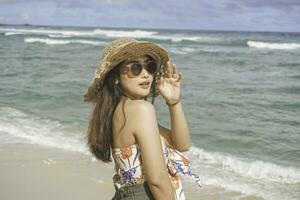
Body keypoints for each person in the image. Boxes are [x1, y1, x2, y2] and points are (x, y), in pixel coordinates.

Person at [83, 38, 201, 200]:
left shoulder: (120, 110)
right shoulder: (140, 110)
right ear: (116, 76)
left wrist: (173, 102)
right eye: (135, 68)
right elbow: (157, 180)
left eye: (150, 66)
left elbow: (181, 144)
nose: (145, 74)